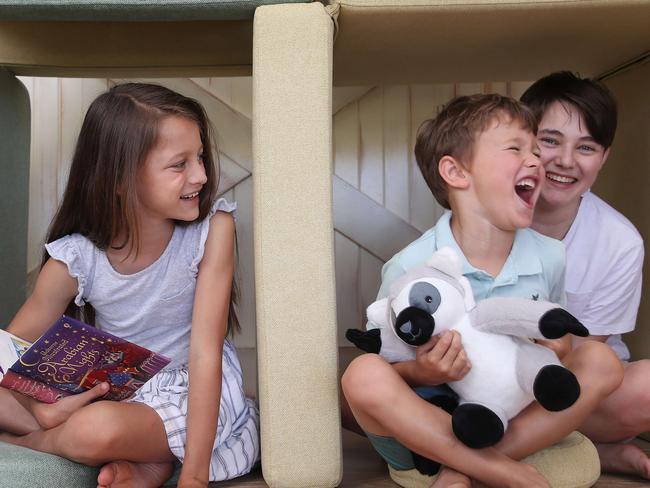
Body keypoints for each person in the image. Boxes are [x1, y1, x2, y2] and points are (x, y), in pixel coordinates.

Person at [342, 94, 624, 487]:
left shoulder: (549, 256)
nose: (536, 160)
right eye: (515, 148)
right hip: (430, 430)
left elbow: (559, 345)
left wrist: (555, 349)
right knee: (362, 374)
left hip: (509, 417)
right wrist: (423, 370)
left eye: (534, 148)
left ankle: (464, 469)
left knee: (600, 358)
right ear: (456, 173)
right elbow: (392, 369)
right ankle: (499, 471)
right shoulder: (410, 267)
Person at [0, 83, 259, 488]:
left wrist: (195, 477)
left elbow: (206, 354)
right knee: (83, 418)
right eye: (180, 164)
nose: (202, 176)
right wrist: (40, 407)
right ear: (120, 179)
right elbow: (9, 352)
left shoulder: (213, 232)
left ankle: (44, 443)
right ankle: (145, 461)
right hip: (116, 397)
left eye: (201, 158)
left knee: (93, 430)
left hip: (191, 388)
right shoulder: (76, 259)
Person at [522, 71, 649, 479]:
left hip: (574, 384)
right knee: (362, 388)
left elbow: (582, 359)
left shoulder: (619, 241)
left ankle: (491, 445)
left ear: (605, 156)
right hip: (486, 377)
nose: (565, 161)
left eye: (586, 147)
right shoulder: (484, 214)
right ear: (522, 140)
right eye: (550, 140)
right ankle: (587, 450)